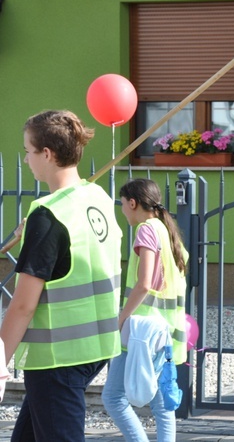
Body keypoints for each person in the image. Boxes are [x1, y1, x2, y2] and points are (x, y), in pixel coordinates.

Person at [0, 110, 123, 441]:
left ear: (47, 154)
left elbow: (23, 304)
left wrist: (0, 360)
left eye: (28, 151)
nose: (26, 160)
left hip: (58, 356)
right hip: (96, 346)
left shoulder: (47, 214)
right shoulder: (96, 197)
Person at [102, 178, 188, 442]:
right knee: (163, 405)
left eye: (122, 205)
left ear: (132, 202)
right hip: (166, 332)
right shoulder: (166, 230)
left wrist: (121, 317)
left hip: (142, 331)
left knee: (113, 397)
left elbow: (145, 283)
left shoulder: (146, 230)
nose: (122, 211)